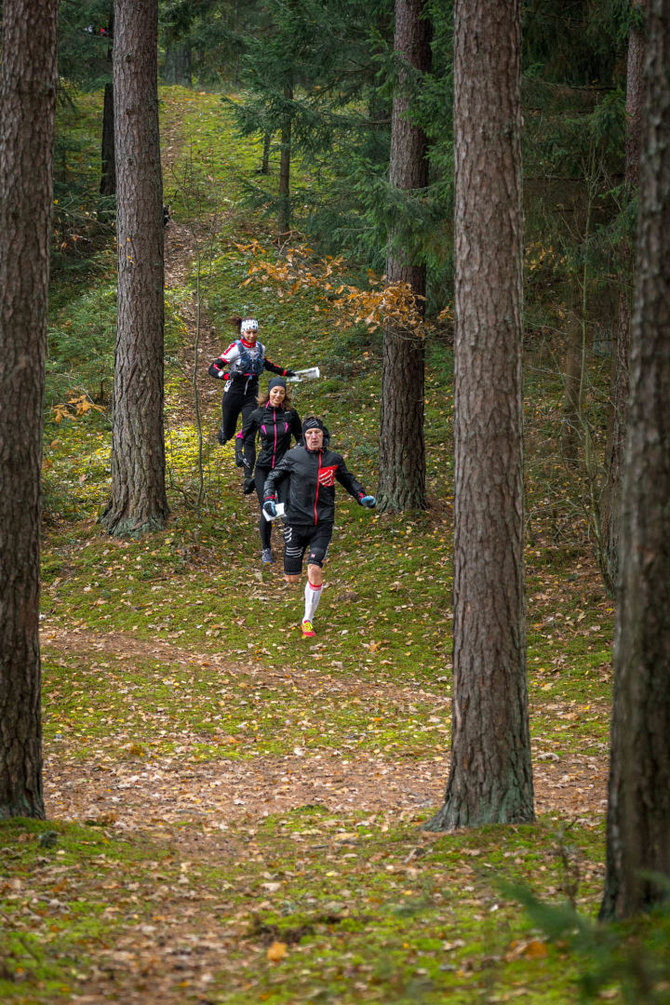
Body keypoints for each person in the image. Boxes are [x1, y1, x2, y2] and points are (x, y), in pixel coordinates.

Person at [262, 416, 376, 637]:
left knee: (314, 569)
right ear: (304, 437)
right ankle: (305, 586)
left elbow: (348, 479)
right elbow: (273, 477)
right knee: (292, 578)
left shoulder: (333, 459)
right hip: (295, 522)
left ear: (324, 437)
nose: (314, 437)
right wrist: (269, 498)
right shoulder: (294, 456)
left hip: (322, 523)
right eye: (309, 434)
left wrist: (361, 496)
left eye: (318, 433)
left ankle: (307, 620)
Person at [208, 316, 295, 492]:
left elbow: (267, 364)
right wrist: (227, 375)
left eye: (254, 332)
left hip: (251, 397)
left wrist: (286, 372)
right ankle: (225, 431)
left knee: (250, 433)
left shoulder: (260, 348)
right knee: (230, 432)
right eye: (248, 332)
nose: (251, 335)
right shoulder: (235, 349)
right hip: (232, 394)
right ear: (242, 332)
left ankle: (248, 477)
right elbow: (213, 368)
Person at [241, 377, 302, 565]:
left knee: (285, 508)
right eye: (275, 391)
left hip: (284, 469)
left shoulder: (291, 415)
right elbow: (243, 436)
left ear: (285, 395)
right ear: (269, 393)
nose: (278, 395)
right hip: (263, 468)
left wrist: (295, 454)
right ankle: (266, 549)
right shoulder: (257, 414)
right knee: (267, 509)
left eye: (281, 392)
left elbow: (301, 437)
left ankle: (290, 548)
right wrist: (242, 460)